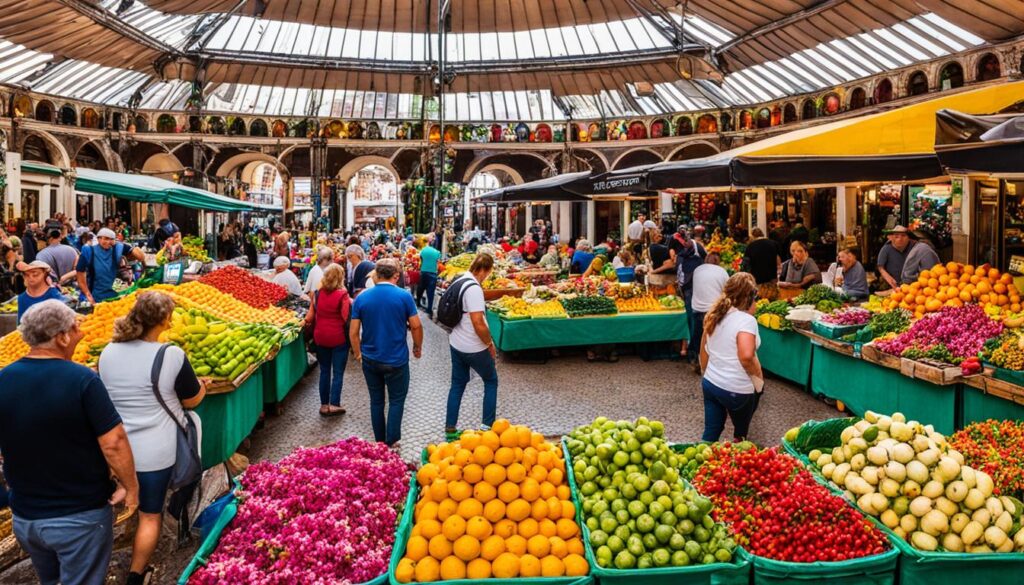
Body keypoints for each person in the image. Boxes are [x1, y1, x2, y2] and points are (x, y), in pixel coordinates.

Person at [0, 300, 139, 585]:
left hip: (27, 518)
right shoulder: (83, 380)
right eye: (76, 327)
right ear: (61, 337)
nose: (81, 333)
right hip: (79, 517)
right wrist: (131, 486)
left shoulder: (4, 379)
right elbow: (113, 441)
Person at [97, 292, 204, 585]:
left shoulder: (108, 352)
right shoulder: (170, 354)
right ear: (165, 319)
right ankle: (137, 574)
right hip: (156, 452)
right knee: (149, 514)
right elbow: (192, 400)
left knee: (120, 508)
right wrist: (202, 388)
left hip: (116, 451)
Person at [350, 259, 423, 447]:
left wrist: (358, 354)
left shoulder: (362, 298)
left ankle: (380, 442)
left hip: (370, 359)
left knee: (376, 401)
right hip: (396, 360)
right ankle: (392, 441)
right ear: (396, 276)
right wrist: (417, 347)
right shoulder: (404, 296)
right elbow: (416, 326)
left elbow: (353, 332)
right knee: (397, 400)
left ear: (377, 274)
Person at [699, 273, 765, 442]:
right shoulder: (746, 321)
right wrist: (759, 381)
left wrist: (706, 373)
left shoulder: (715, 314)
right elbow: (746, 356)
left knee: (711, 432)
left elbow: (704, 349)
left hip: (711, 384)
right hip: (736, 389)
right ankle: (735, 462)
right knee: (740, 436)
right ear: (749, 297)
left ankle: (701, 463)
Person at [445, 254, 499, 438]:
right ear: (484, 270)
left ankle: (450, 428)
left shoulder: (460, 279)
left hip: (456, 342)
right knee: (491, 381)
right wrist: (489, 343)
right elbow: (478, 322)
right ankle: (487, 427)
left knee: (457, 384)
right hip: (474, 346)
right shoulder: (474, 289)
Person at [306, 264, 351, 417]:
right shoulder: (342, 294)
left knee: (324, 371)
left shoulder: (317, 294)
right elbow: (346, 318)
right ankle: (334, 404)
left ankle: (324, 405)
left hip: (320, 336)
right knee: (337, 373)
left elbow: (310, 317)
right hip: (338, 337)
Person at [76, 228, 145, 304]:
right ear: (98, 239)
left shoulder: (117, 248)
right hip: (98, 297)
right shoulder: (88, 250)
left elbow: (141, 257)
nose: (108, 242)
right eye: (105, 238)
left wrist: (120, 244)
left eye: (110, 239)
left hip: (119, 296)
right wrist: (88, 295)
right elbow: (80, 274)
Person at [690, 252, 729, 373]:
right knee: (714, 338)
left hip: (697, 309)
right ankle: (712, 364)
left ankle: (697, 361)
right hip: (713, 310)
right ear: (718, 261)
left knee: (698, 336)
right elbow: (727, 291)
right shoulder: (722, 272)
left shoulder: (697, 270)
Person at [670, 227, 703, 361]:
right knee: (696, 318)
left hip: (691, 289)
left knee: (692, 317)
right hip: (698, 287)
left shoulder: (682, 258)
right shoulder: (697, 249)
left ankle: (692, 350)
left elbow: (681, 280)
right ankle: (694, 349)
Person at [742, 228, 782, 301]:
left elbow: (745, 265)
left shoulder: (750, 246)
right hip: (772, 279)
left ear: (753, 236)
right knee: (772, 300)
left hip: (757, 280)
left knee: (760, 302)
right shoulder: (774, 243)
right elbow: (779, 261)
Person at [876, 225, 914, 291]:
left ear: (909, 238)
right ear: (890, 237)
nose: (900, 239)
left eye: (903, 236)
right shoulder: (886, 249)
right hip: (892, 286)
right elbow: (880, 267)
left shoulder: (914, 247)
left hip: (911, 285)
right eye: (896, 236)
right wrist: (889, 279)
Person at [417, 237, 441, 317]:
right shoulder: (437, 252)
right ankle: (429, 309)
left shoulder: (423, 250)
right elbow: (438, 262)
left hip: (423, 272)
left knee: (420, 288)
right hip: (433, 274)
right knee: (430, 292)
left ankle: (418, 303)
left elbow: (421, 259)